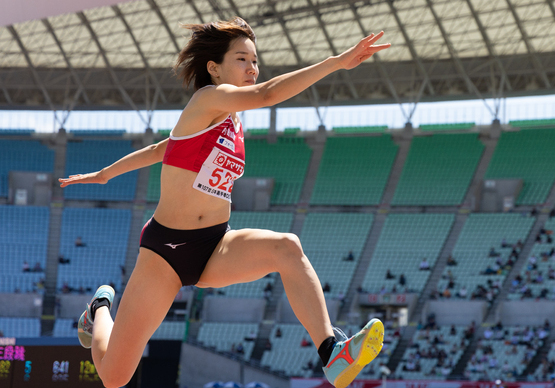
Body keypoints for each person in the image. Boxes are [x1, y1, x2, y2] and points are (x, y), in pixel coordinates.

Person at [58, 17, 389, 388]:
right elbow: (265, 95)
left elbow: (159, 150)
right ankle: (99, 310)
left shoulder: (230, 122)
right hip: (165, 252)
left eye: (255, 60)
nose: (252, 67)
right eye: (242, 59)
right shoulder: (206, 99)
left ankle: (332, 352)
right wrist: (336, 62)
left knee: (287, 247)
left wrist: (106, 173)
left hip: (216, 244)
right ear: (214, 68)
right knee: (115, 377)